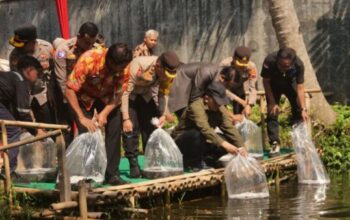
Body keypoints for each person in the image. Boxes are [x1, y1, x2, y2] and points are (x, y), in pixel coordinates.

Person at [65, 43, 132, 185]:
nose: (121, 71)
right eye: (117, 69)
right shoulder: (89, 60)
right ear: (110, 62)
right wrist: (82, 117)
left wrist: (104, 113)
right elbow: (70, 89)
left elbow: (119, 94)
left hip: (107, 98)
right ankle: (87, 175)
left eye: (123, 67)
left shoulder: (125, 67)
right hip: (84, 96)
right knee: (87, 132)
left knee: (114, 128)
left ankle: (111, 174)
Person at [121, 51, 180, 178]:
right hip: (130, 96)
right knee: (131, 129)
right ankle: (133, 163)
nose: (166, 77)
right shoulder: (138, 65)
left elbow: (163, 93)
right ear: (158, 66)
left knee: (151, 127)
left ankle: (152, 162)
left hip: (146, 96)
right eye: (165, 74)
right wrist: (126, 118)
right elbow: (124, 93)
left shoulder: (167, 72)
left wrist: (163, 113)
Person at [172, 82, 247, 171]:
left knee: (226, 139)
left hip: (202, 142)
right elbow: (205, 129)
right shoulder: (195, 106)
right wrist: (227, 146)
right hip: (183, 143)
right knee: (197, 134)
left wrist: (242, 148)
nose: (218, 105)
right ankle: (192, 163)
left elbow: (230, 129)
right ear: (207, 98)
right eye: (216, 102)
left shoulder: (220, 109)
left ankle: (207, 160)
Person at [53, 22, 99, 145]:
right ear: (78, 36)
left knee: (87, 129)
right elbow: (61, 80)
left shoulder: (96, 49)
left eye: (92, 43)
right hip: (64, 94)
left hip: (86, 95)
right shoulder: (63, 50)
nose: (89, 46)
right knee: (66, 129)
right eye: (87, 43)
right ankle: (67, 160)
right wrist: (71, 100)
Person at [0, 56, 45, 172]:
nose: (37, 77)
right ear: (29, 70)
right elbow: (23, 112)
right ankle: (9, 171)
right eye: (37, 73)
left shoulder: (11, 77)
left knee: (10, 126)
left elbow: (15, 111)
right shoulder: (21, 81)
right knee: (13, 129)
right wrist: (36, 131)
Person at [261, 47, 308, 157]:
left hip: (290, 84)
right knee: (272, 112)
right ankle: (274, 143)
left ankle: (300, 141)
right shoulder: (269, 61)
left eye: (286, 66)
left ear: (292, 63)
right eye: (280, 65)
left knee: (298, 110)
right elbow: (266, 81)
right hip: (273, 85)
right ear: (277, 60)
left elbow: (300, 88)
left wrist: (303, 109)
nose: (283, 68)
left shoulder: (299, 65)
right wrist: (272, 102)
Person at [9, 24, 55, 124]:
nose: (18, 48)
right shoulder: (15, 55)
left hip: (43, 94)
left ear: (32, 42)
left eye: (22, 44)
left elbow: (55, 67)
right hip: (25, 96)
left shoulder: (46, 48)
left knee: (50, 123)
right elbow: (16, 79)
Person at [168, 63, 247, 119]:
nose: (228, 88)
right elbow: (194, 99)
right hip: (180, 87)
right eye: (228, 86)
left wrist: (241, 102)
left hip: (191, 89)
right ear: (222, 78)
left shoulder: (219, 74)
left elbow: (222, 90)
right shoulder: (206, 73)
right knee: (187, 118)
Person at [220, 46, 258, 117]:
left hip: (239, 90)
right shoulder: (224, 65)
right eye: (240, 64)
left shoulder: (251, 67)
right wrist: (239, 100)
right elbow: (220, 87)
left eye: (244, 65)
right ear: (234, 58)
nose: (242, 67)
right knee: (223, 115)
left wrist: (249, 104)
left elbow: (253, 88)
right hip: (224, 90)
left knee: (241, 114)